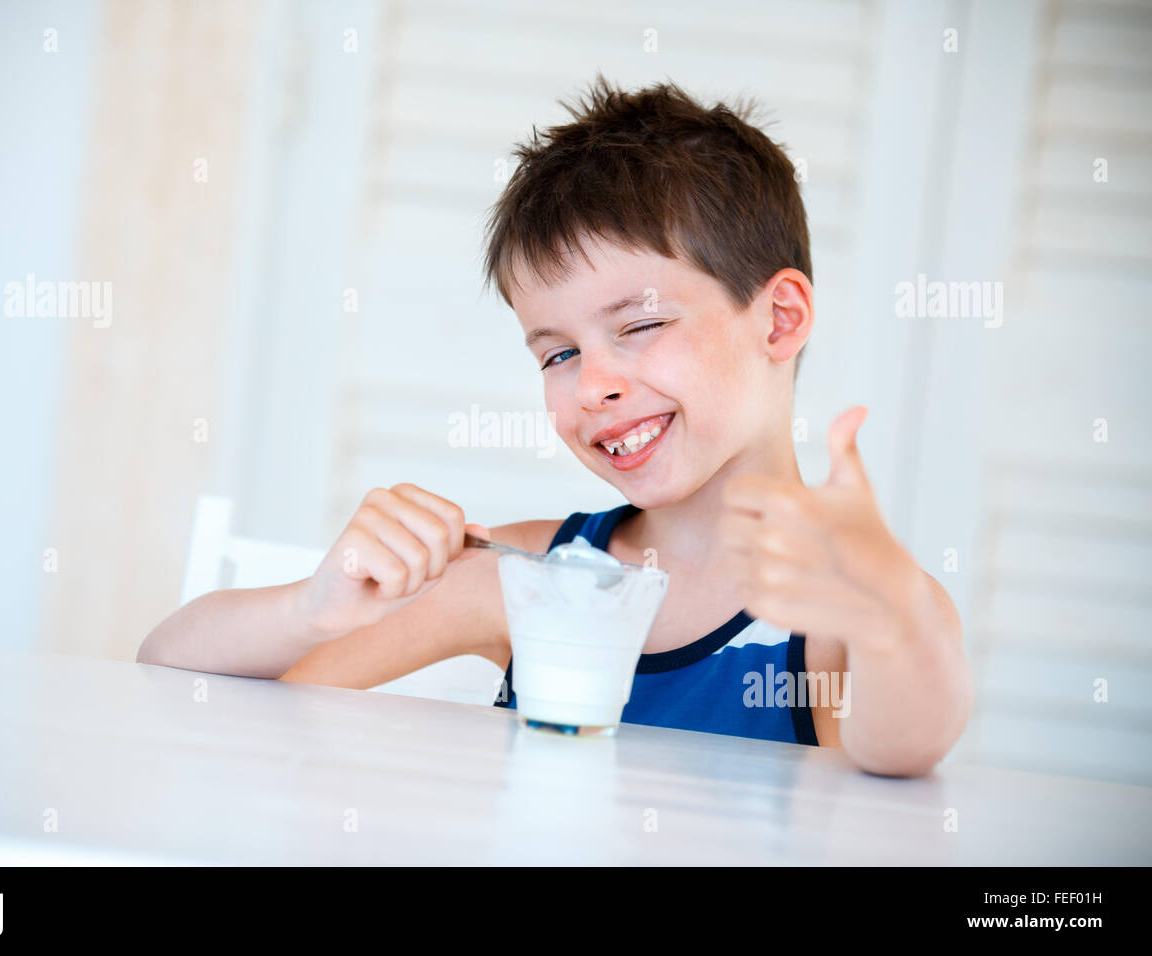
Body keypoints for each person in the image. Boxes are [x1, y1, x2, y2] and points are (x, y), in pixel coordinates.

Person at [137, 77, 972, 777]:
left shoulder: (835, 613)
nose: (596, 386)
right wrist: (311, 604)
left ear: (780, 320)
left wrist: (886, 600)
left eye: (639, 325)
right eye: (557, 354)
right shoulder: (531, 577)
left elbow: (907, 745)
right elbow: (168, 675)